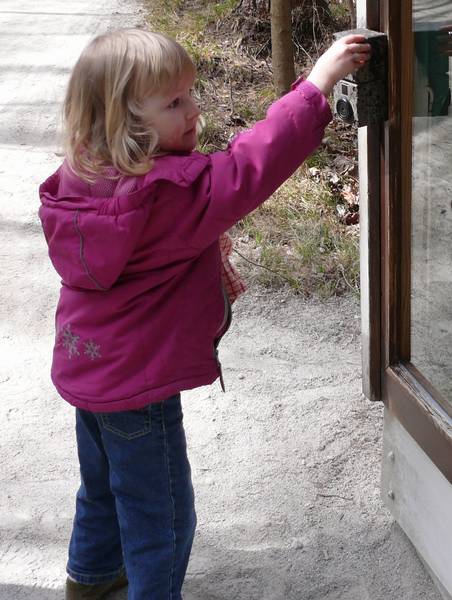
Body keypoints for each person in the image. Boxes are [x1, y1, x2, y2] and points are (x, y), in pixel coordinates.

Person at [38, 28, 370, 600]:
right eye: (174, 102)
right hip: (140, 382)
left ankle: (90, 579)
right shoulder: (170, 197)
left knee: (102, 485)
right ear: (124, 121)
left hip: (88, 369)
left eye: (190, 93)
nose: (194, 110)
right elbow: (253, 163)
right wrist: (319, 83)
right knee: (161, 512)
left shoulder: (82, 179)